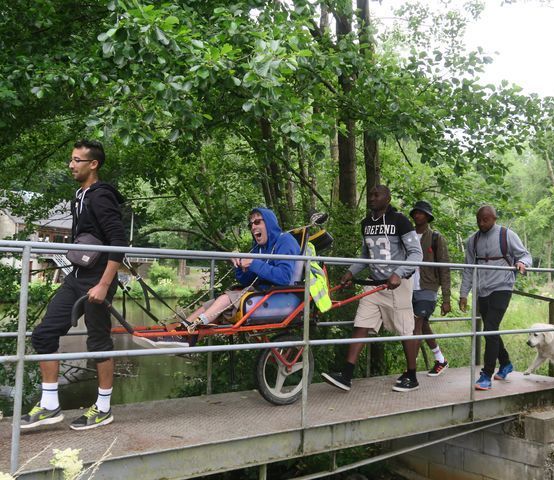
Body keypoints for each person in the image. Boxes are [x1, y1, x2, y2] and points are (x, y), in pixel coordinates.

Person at [21, 140, 127, 431]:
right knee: (44, 334)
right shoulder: (78, 195)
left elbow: (119, 243)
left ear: (93, 164)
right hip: (77, 278)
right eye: (71, 160)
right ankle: (50, 403)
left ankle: (103, 408)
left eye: (77, 160)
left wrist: (104, 285)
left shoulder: (101, 197)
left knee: (98, 342)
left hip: (98, 280)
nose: (71, 165)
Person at [133, 207, 301, 348]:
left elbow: (284, 277)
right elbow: (246, 280)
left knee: (226, 298)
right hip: (260, 293)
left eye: (257, 221)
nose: (253, 227)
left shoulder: (285, 240)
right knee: (210, 304)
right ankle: (179, 332)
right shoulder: (258, 247)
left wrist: (253, 263)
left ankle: (187, 334)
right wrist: (241, 266)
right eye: (251, 224)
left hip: (278, 295)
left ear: (269, 223)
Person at [321, 185, 422, 392]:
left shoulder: (400, 221)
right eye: (370, 195)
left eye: (377, 195)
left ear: (388, 198)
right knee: (361, 323)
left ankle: (412, 375)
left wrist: (399, 273)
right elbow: (366, 256)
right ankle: (346, 375)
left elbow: (416, 253)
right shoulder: (366, 223)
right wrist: (351, 272)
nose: (372, 198)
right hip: (374, 284)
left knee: (405, 330)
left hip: (398, 285)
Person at [459, 205, 531, 391]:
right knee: (492, 329)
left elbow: (524, 254)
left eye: (485, 220)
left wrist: (522, 263)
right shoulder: (473, 240)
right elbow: (468, 268)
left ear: (494, 218)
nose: (482, 224)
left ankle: (486, 374)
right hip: (482, 289)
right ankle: (505, 363)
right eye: (479, 220)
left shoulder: (506, 235)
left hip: (502, 287)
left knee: (489, 329)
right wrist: (463, 294)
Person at [408, 200, 451, 377]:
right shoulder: (408, 236)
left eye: (421, 213)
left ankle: (410, 370)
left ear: (427, 216)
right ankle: (440, 360)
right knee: (423, 324)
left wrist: (446, 299)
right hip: (409, 287)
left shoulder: (435, 237)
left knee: (416, 325)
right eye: (415, 212)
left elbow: (444, 267)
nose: (417, 215)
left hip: (428, 288)